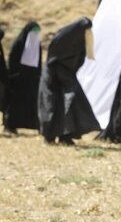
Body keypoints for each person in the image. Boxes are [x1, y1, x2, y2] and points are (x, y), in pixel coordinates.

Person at [37, 17, 101, 145]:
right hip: (53, 75)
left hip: (67, 74)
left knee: (72, 102)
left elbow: (80, 58)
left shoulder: (79, 40)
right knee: (51, 105)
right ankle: (49, 136)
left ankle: (65, 135)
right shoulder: (62, 38)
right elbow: (53, 59)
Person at [4, 22, 42, 134]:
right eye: (33, 32)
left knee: (32, 103)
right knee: (15, 103)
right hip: (18, 79)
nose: (35, 35)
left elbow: (38, 62)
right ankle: (11, 125)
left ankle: (35, 125)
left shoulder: (37, 45)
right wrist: (13, 75)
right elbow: (12, 59)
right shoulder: (19, 43)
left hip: (32, 79)